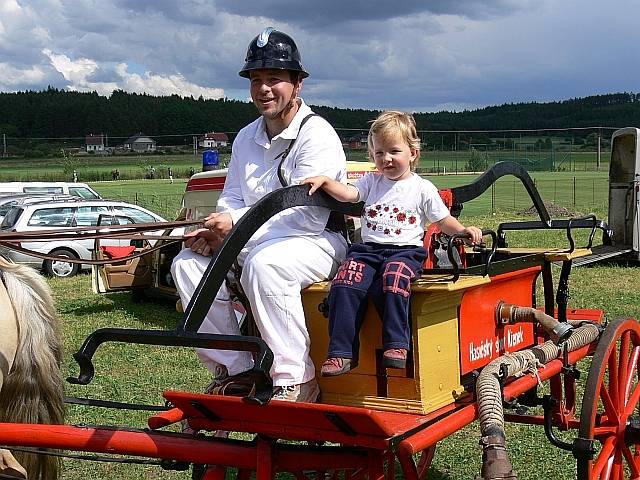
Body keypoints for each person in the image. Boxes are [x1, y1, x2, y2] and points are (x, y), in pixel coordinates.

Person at [170, 27, 347, 402]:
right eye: (256, 80)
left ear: (297, 84)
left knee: (266, 265)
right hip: (256, 243)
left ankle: (295, 379)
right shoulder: (245, 137)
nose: (264, 89)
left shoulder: (317, 135)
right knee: (187, 264)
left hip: (315, 243)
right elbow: (230, 198)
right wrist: (220, 231)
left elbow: (306, 217)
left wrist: (234, 230)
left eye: (274, 79)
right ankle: (236, 370)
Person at [302, 111, 483, 376]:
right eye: (379, 153)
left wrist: (464, 230)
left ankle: (397, 344)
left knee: (394, 278)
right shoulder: (371, 181)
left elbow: (443, 220)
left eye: (393, 151)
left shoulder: (422, 188)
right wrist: (327, 182)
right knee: (345, 280)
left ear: (413, 153)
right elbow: (350, 195)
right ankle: (341, 353)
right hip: (368, 251)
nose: (386, 159)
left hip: (405, 252)